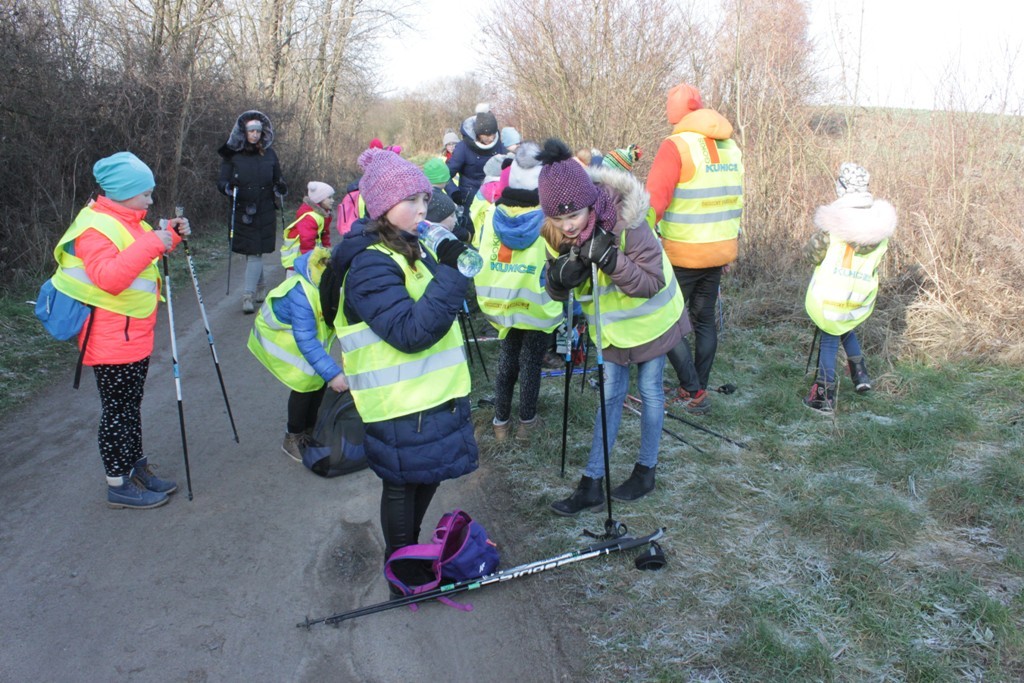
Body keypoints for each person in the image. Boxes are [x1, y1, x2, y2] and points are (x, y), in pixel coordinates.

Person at [330, 147, 478, 595]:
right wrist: (452, 277)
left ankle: (411, 559)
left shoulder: (409, 244)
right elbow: (409, 332)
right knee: (402, 485)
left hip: (429, 394)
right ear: (380, 207)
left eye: (422, 198)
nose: (421, 209)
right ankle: (401, 572)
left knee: (425, 476)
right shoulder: (370, 262)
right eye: (410, 200)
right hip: (399, 402)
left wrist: (450, 263)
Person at [537, 139, 689, 514]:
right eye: (559, 219)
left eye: (573, 216)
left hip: (653, 322)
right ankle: (591, 483)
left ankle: (645, 470)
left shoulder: (628, 223)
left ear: (590, 201)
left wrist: (610, 259)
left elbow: (650, 282)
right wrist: (559, 278)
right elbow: (554, 287)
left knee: (651, 390)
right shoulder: (559, 233)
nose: (568, 226)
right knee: (609, 397)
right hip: (611, 330)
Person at [49, 152, 190, 509]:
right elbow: (110, 278)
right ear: (123, 193)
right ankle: (118, 483)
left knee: (131, 407)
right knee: (117, 411)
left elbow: (146, 252)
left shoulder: (129, 220)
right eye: (145, 193)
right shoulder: (95, 228)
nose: (150, 199)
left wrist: (169, 234)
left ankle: (135, 468)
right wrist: (153, 241)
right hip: (109, 339)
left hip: (133, 334)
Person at [647, 83, 743, 415]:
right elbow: (735, 198)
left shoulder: (675, 146)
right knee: (704, 322)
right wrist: (730, 245)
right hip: (719, 250)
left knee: (665, 321)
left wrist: (638, 240)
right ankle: (698, 386)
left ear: (673, 113)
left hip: (682, 252)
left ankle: (692, 389)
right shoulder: (730, 145)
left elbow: (652, 203)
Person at [474, 142, 561, 443]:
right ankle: (526, 423)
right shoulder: (549, 218)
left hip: (502, 303)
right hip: (536, 304)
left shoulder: (489, 213)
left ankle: (500, 423)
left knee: (508, 358)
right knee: (531, 363)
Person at [803, 163, 896, 413]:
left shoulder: (832, 223)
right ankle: (860, 374)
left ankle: (823, 395)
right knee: (844, 326)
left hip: (831, 293)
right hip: (860, 295)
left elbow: (813, 255)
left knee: (829, 335)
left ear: (842, 187)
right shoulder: (880, 224)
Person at [248, 247, 348, 459]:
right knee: (304, 381)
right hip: (278, 335)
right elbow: (306, 341)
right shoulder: (302, 294)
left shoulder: (331, 283)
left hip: (303, 334)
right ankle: (292, 436)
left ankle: (310, 429)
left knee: (318, 379)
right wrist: (333, 374)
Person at [218, 110, 288, 314]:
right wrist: (229, 187)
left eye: (258, 130)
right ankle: (257, 290)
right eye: (251, 131)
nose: (255, 134)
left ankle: (250, 294)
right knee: (253, 253)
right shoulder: (232, 154)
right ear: (243, 132)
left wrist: (281, 187)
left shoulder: (270, 153)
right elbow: (221, 182)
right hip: (243, 210)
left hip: (265, 209)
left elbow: (278, 178)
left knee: (255, 253)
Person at [446, 103, 507, 218]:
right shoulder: (463, 148)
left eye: (492, 135)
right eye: (485, 136)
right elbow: (445, 174)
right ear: (478, 134)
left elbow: (508, 169)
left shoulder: (499, 146)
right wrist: (454, 192)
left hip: (494, 197)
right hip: (469, 196)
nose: (490, 139)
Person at [280, 182, 334, 276]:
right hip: (297, 259)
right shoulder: (310, 217)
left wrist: (327, 251)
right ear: (319, 199)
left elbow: (324, 234)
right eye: (329, 198)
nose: (332, 200)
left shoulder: (322, 215)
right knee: (295, 285)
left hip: (305, 256)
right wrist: (310, 261)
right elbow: (306, 241)